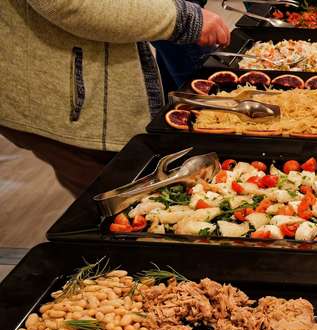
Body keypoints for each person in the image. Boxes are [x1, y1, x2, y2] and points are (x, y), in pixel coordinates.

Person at [0, 0, 230, 195]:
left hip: (80, 93)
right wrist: (180, 19)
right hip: (67, 101)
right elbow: (72, 5)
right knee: (127, 206)